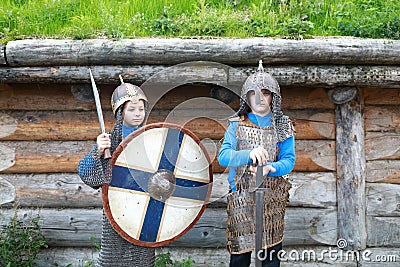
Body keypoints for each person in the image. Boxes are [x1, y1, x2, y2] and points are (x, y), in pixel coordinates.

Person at [218, 60, 296, 267]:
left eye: (265, 92)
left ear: (273, 97)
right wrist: (249, 153)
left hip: (273, 198)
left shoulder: (283, 126)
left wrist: (272, 168)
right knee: (240, 257)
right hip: (241, 196)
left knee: (270, 258)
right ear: (247, 97)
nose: (260, 98)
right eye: (254, 93)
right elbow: (223, 157)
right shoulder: (236, 125)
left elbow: (289, 160)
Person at [77, 77, 155, 267]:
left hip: (143, 207)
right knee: (113, 259)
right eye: (132, 109)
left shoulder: (152, 137)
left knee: (142, 258)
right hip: (117, 205)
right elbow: (87, 174)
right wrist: (98, 151)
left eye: (141, 109)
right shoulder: (109, 141)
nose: (138, 114)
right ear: (120, 112)